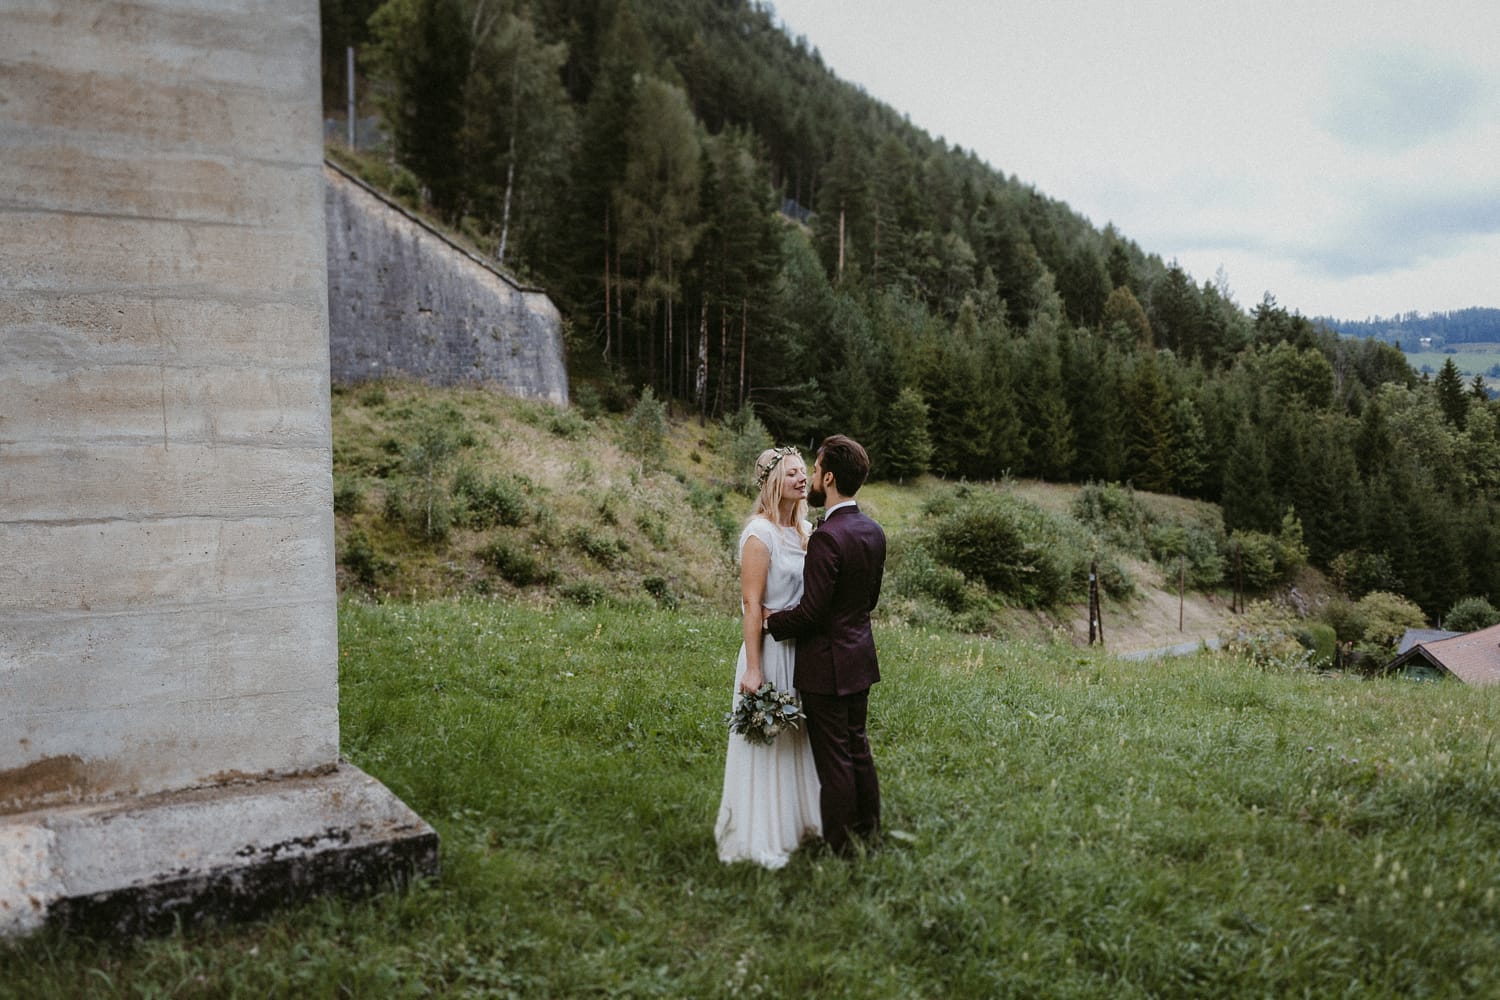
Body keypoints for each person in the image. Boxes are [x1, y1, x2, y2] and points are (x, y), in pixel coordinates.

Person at [766, 435, 886, 856]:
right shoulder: (873, 531)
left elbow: (812, 613)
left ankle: (840, 847)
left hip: (827, 667)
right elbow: (867, 601)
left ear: (829, 477)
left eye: (815, 471)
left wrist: (770, 621)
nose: (812, 478)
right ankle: (869, 832)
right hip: (859, 657)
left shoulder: (827, 537)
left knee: (834, 759)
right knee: (858, 748)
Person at [713, 446, 822, 868]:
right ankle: (760, 832)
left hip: (801, 651)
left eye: (803, 472)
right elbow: (751, 605)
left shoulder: (805, 530)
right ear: (774, 482)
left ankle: (797, 823)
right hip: (770, 653)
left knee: (798, 739)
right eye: (792, 473)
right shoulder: (758, 534)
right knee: (768, 742)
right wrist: (755, 668)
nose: (801, 478)